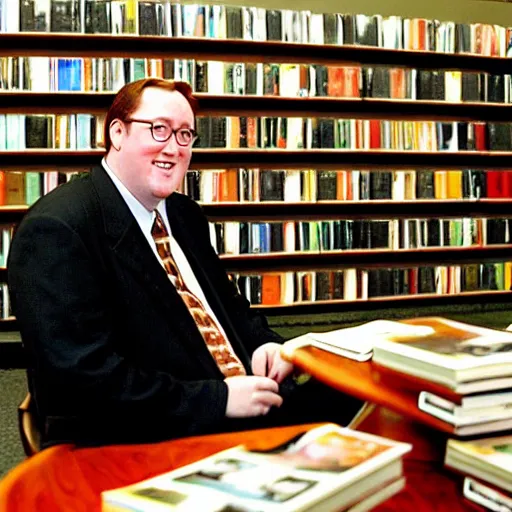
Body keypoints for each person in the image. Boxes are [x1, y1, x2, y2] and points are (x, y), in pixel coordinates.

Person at [8, 78, 362, 449]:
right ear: (118, 133)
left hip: (242, 398)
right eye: (159, 129)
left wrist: (263, 346)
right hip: (149, 433)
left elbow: (232, 311)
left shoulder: (184, 214)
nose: (173, 148)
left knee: (372, 394)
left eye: (185, 135)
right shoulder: (57, 230)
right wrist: (219, 400)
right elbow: (82, 381)